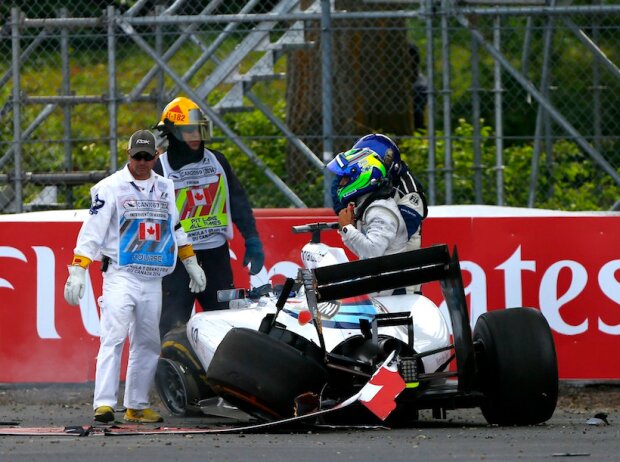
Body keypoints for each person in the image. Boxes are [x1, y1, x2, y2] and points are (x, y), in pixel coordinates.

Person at [63, 129, 207, 424]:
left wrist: (191, 262)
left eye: (147, 156)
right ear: (128, 155)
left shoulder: (166, 187)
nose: (142, 162)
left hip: (153, 276)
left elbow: (175, 227)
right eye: (136, 156)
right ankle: (103, 404)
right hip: (120, 274)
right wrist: (78, 269)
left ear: (156, 156)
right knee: (113, 337)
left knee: (147, 341)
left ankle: (136, 405)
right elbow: (92, 232)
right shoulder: (109, 187)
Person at [153, 96, 265, 337]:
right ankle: (171, 373)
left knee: (226, 321)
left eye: (199, 129)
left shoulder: (218, 161)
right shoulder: (158, 168)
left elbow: (238, 202)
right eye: (188, 131)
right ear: (172, 132)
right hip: (177, 261)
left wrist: (252, 239)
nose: (196, 136)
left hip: (216, 256)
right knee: (173, 326)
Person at [327, 147, 408, 261]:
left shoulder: (380, 210)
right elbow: (363, 253)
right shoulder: (369, 205)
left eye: (345, 178)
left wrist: (347, 228)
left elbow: (373, 252)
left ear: (361, 176)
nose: (341, 183)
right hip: (382, 273)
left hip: (387, 275)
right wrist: (346, 230)